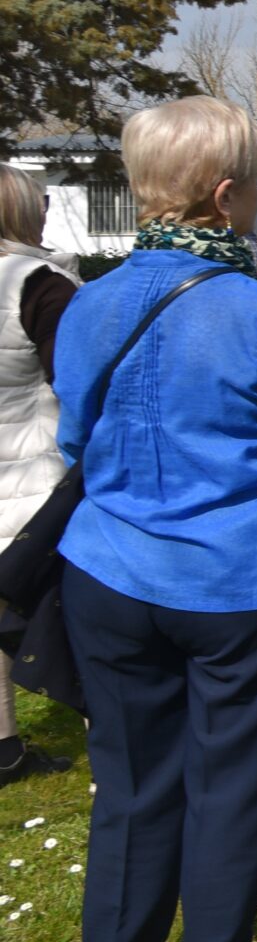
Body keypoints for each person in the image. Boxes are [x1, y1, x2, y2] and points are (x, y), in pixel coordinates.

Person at [53, 95, 257, 942]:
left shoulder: (86, 301)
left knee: (133, 786)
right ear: (227, 194)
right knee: (230, 788)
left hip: (108, 571)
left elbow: (76, 436)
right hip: (243, 582)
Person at [0, 164, 76, 784]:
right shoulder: (38, 284)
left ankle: (4, 747)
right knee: (69, 616)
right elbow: (77, 384)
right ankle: (114, 742)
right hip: (33, 478)